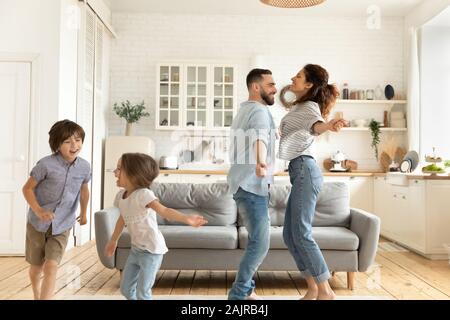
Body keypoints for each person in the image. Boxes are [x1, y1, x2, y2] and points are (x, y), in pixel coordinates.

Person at [278, 64, 347, 300]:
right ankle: (313, 288)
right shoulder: (300, 106)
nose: (292, 77)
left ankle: (325, 291)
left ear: (308, 84)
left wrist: (328, 126)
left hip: (305, 170)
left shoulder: (309, 107)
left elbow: (316, 126)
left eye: (297, 76)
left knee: (302, 233)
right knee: (290, 234)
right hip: (299, 171)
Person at [104, 153, 207, 300]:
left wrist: (186, 218)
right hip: (136, 250)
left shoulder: (144, 194)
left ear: (134, 175)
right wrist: (113, 240)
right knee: (126, 290)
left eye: (119, 169)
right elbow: (122, 219)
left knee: (143, 293)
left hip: (152, 252)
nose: (115, 172)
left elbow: (164, 211)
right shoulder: (121, 197)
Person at [22, 119, 91, 300]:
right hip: (37, 223)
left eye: (77, 140)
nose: (74, 145)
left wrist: (84, 213)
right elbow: (27, 188)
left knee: (51, 266)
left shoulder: (84, 167)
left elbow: (84, 190)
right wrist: (38, 210)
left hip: (63, 223)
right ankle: (37, 294)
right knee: (36, 267)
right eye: (67, 141)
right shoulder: (45, 165)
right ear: (57, 144)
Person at [227, 68, 278, 300]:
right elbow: (260, 138)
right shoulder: (259, 110)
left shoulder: (243, 110)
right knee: (260, 242)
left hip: (241, 183)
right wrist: (261, 163)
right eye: (270, 84)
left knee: (257, 239)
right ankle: (238, 295)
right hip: (252, 183)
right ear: (256, 87)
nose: (274, 89)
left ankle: (247, 290)